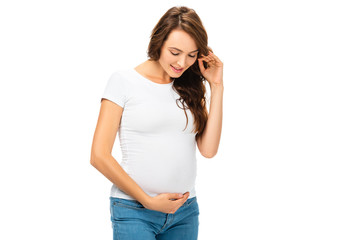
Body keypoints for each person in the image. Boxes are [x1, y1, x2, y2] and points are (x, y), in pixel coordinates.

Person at [90, 6, 223, 240]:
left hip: (184, 211)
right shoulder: (123, 82)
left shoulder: (190, 87)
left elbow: (209, 150)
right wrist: (148, 201)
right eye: (175, 52)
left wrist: (217, 86)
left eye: (191, 55)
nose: (182, 62)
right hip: (134, 210)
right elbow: (99, 156)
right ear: (159, 43)